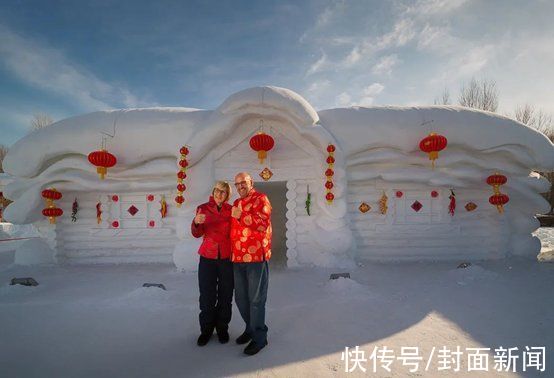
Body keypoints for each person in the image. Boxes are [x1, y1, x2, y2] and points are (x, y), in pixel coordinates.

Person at [231, 172, 272, 355]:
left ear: (251, 182)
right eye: (237, 184)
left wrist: (242, 216)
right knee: (241, 298)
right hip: (237, 257)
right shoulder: (235, 203)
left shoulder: (261, 199)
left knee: (256, 300)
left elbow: (262, 224)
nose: (240, 186)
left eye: (243, 183)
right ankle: (250, 327)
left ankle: (259, 337)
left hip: (255, 258)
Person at [191, 181, 234, 346]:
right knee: (207, 295)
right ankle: (207, 329)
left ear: (227, 195)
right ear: (213, 191)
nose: (219, 194)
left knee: (225, 295)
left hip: (226, 258)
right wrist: (196, 222)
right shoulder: (202, 208)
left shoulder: (231, 210)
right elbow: (197, 234)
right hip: (207, 257)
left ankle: (222, 327)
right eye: (217, 190)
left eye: (223, 192)